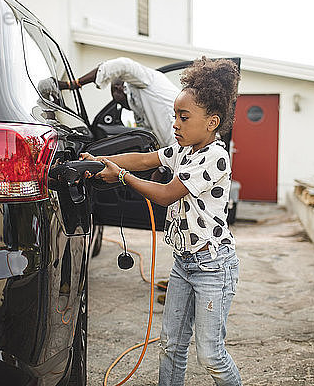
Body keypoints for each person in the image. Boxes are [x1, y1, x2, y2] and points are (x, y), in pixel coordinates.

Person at [80, 57, 242, 385]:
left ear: (212, 122)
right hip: (184, 264)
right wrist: (100, 160)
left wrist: (121, 176)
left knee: (210, 353)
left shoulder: (216, 157)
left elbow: (167, 194)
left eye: (184, 117)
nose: (176, 124)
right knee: (171, 345)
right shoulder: (183, 151)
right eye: (175, 117)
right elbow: (143, 158)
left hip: (213, 266)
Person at [55, 57, 179, 147]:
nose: (122, 107)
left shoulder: (148, 80)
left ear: (119, 89)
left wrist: (74, 84)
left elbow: (122, 65)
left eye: (118, 102)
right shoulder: (141, 107)